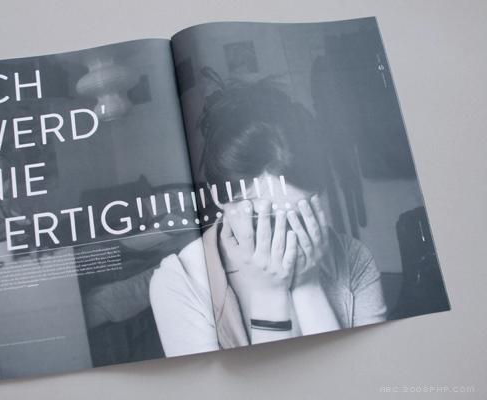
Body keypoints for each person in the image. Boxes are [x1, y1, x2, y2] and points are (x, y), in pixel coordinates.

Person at [149, 79, 387, 357]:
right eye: (260, 216)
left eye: (297, 213)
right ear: (218, 197)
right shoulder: (179, 281)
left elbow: (362, 374)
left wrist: (307, 286)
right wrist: (268, 295)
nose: (280, 234)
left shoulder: (354, 258)